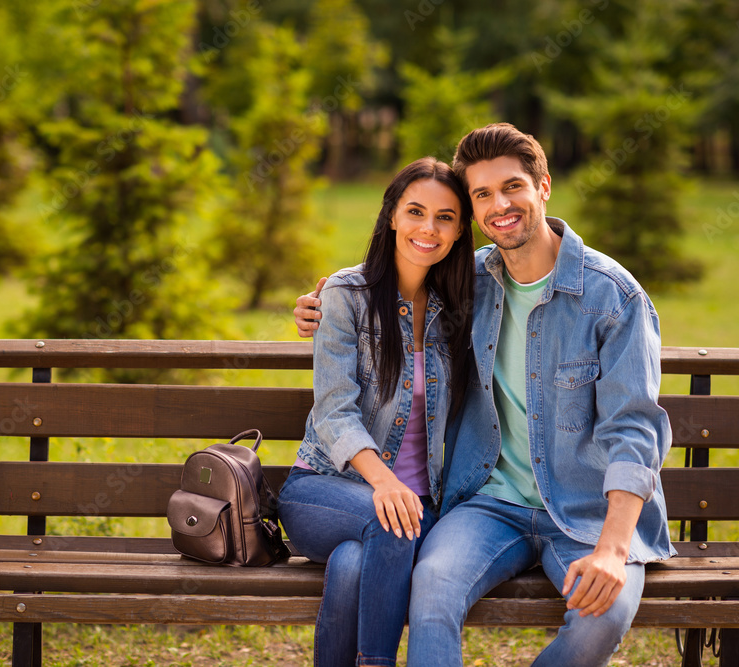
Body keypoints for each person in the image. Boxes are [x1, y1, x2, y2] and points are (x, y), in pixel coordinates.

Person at [294, 123, 674, 667]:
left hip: (587, 513)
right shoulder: (469, 282)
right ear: (474, 211)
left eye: (513, 186)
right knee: (431, 589)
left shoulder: (612, 296)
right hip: (491, 504)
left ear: (544, 185)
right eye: (483, 195)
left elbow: (634, 428)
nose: (501, 205)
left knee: (602, 619)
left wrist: (614, 549)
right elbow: (380, 292)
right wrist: (321, 301)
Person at [278, 156, 476, 667]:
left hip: (418, 506)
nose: (427, 229)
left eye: (446, 217)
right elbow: (334, 412)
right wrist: (385, 483)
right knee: (393, 521)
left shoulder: (460, 305)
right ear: (391, 215)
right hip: (322, 489)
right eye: (415, 211)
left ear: (459, 231)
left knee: (350, 565)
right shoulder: (348, 296)